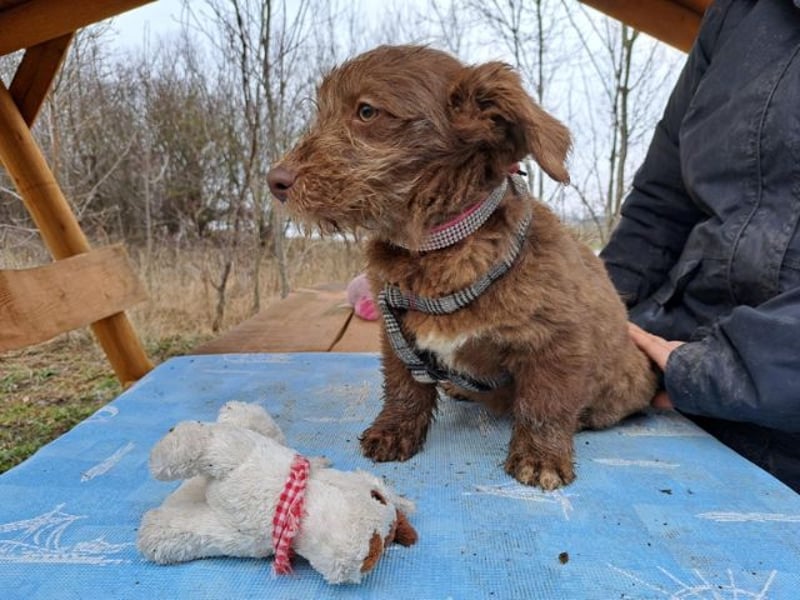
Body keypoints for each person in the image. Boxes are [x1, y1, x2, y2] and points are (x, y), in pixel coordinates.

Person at [600, 0, 800, 493]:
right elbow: (660, 202)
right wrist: (589, 313)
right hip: (675, 362)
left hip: (756, 393)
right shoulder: (739, 13)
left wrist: (714, 372)